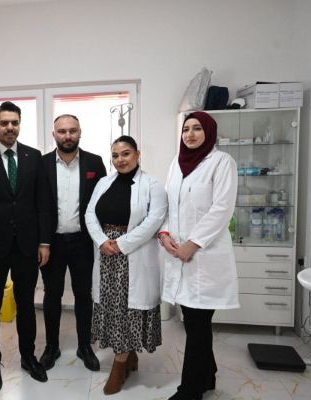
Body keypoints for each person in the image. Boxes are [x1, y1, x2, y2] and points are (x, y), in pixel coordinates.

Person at [0, 101, 51, 391]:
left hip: (27, 245)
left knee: (26, 304)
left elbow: (42, 202)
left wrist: (44, 242)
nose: (10, 128)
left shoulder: (33, 156)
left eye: (14, 122)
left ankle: (28, 356)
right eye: (4, 123)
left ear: (19, 125)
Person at [159, 111, 238, 400]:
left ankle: (189, 390)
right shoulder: (176, 164)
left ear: (209, 132)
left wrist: (192, 244)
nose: (190, 134)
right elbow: (168, 204)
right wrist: (164, 233)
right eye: (186, 129)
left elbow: (222, 209)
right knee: (194, 323)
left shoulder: (222, 162)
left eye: (197, 129)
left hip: (205, 257)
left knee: (197, 324)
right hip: (178, 254)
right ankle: (207, 375)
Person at [85, 135, 167, 395]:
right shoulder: (103, 182)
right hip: (106, 254)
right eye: (115, 155)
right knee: (112, 307)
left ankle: (119, 366)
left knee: (127, 309)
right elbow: (89, 214)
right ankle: (129, 355)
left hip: (133, 253)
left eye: (126, 154)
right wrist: (102, 241)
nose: (120, 160)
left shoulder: (153, 184)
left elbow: (154, 220)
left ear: (137, 154)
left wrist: (121, 244)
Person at [39, 114, 106, 371]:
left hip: (83, 242)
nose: (67, 135)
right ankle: (51, 347)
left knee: (83, 295)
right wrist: (41, 242)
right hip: (51, 243)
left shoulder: (94, 162)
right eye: (62, 131)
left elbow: (102, 200)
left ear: (80, 132)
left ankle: (84, 346)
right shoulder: (42, 164)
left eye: (72, 130)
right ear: (54, 134)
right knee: (52, 295)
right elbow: (37, 205)